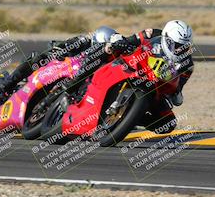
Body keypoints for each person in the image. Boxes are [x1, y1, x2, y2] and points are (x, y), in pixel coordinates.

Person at [61, 20, 194, 134]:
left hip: (155, 85)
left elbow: (178, 88)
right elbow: (134, 39)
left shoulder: (187, 64)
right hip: (134, 66)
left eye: (183, 47)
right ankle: (73, 84)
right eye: (177, 45)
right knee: (108, 49)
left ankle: (131, 118)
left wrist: (175, 92)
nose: (179, 50)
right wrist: (121, 42)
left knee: (168, 123)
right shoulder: (153, 33)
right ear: (167, 37)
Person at [0, 26, 117, 96]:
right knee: (38, 60)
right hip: (57, 64)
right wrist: (59, 50)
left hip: (72, 77)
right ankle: (8, 83)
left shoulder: (102, 59)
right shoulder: (83, 41)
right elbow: (63, 45)